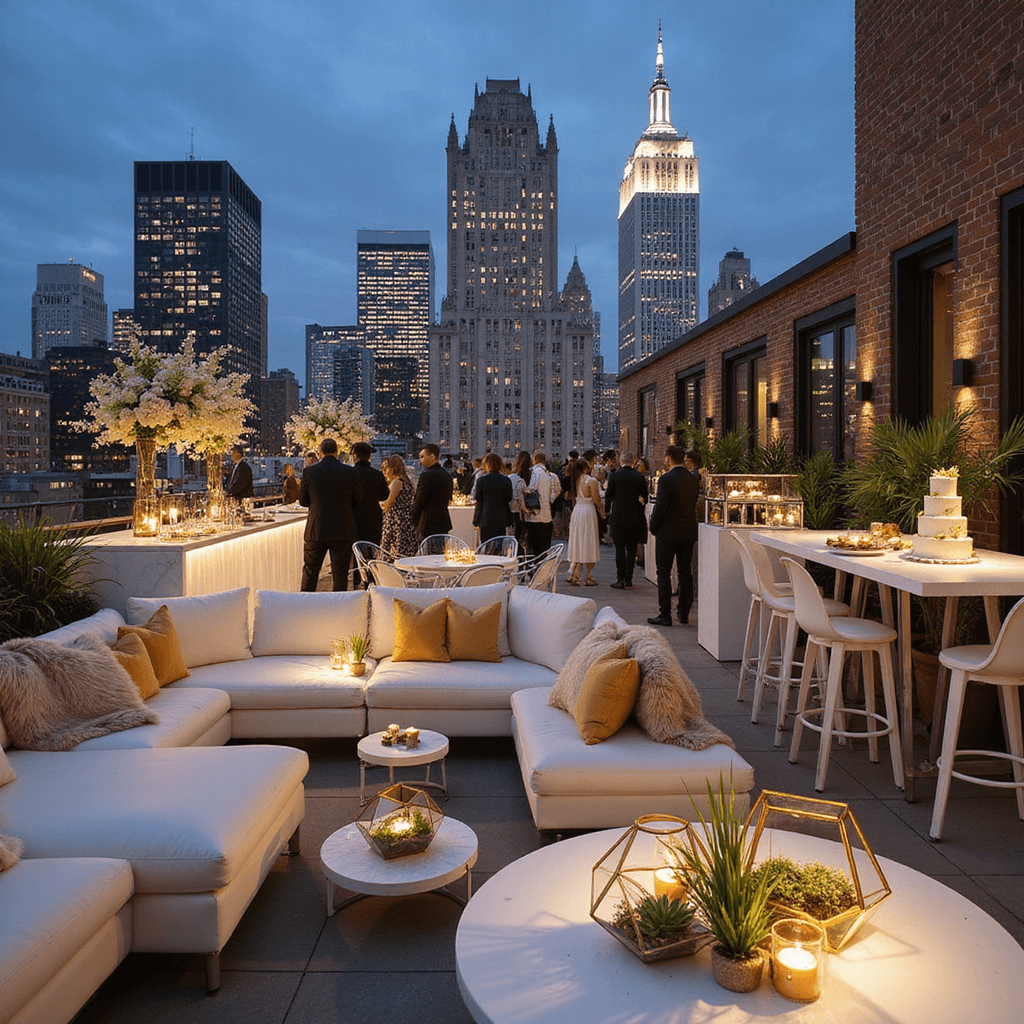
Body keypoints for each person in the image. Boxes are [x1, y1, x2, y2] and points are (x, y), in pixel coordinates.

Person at [298, 437, 363, 592]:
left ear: (320, 452)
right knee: (340, 575)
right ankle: (338, 609)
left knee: (310, 572)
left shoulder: (310, 472)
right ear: (337, 451)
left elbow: (303, 501)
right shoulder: (350, 471)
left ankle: (304, 606)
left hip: (316, 529)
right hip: (342, 529)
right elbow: (358, 500)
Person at [647, 445, 699, 626]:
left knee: (664, 573)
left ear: (669, 458)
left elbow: (660, 507)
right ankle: (683, 612)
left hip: (667, 533)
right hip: (687, 531)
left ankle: (665, 614)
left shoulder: (666, 479)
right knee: (686, 572)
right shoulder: (693, 479)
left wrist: (653, 526)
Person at [604, 450, 649, 590]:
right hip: (634, 516)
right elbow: (645, 498)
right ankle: (629, 578)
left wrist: (606, 512)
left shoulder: (614, 476)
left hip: (618, 515)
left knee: (619, 549)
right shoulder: (639, 477)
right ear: (633, 461)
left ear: (621, 461)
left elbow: (608, 495)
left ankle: (620, 578)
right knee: (631, 549)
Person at [565, 455, 604, 586]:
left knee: (577, 541)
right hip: (588, 511)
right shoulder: (591, 481)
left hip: (577, 511)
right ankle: (588, 576)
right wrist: (602, 512)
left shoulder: (574, 481)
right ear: (586, 468)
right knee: (589, 540)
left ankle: (574, 572)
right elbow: (597, 499)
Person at [410, 443, 453, 540]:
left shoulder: (426, 475)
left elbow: (419, 500)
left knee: (428, 553)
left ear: (432, 456)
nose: (420, 462)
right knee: (440, 553)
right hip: (443, 522)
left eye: (422, 457)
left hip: (428, 523)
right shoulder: (446, 474)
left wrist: (412, 517)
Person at [380, 454, 419, 558]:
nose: (384, 471)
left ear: (392, 468)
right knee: (405, 553)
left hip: (396, 521)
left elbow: (388, 504)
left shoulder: (396, 483)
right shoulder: (408, 482)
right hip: (407, 521)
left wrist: (379, 503)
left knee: (393, 552)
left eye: (386, 468)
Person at [473, 452, 514, 543]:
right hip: (501, 518)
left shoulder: (481, 481)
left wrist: (475, 520)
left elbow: (479, 502)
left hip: (486, 519)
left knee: (486, 546)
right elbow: (509, 499)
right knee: (499, 546)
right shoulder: (506, 480)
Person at [524, 450, 558, 556]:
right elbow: (557, 490)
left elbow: (530, 488)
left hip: (533, 515)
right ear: (545, 460)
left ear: (534, 460)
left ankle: (534, 570)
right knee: (544, 548)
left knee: (534, 548)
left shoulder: (533, 472)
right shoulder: (551, 475)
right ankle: (543, 570)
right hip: (547, 515)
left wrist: (521, 488)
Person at [510, 451, 533, 555]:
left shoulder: (513, 477)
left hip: (515, 510)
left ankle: (518, 557)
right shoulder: (532, 476)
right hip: (528, 511)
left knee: (516, 537)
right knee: (526, 538)